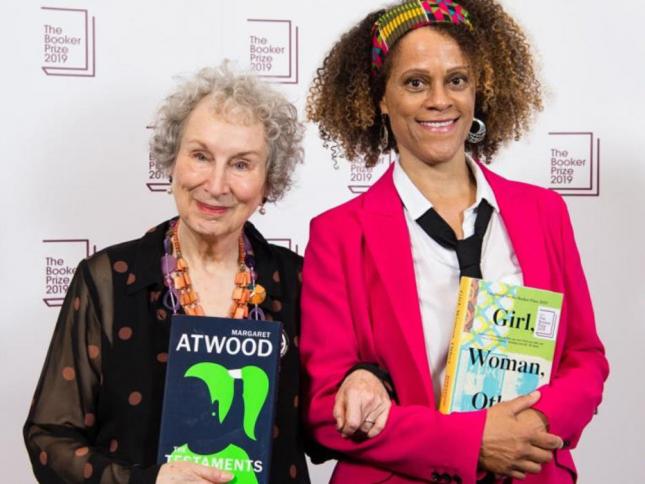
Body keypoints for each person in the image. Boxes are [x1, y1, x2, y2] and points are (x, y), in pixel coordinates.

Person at [23, 63, 383, 484]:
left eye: (241, 164)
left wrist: (365, 380)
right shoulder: (109, 281)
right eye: (200, 156)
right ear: (172, 161)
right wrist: (150, 482)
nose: (215, 184)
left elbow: (323, 432)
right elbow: (49, 440)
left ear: (268, 182)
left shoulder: (298, 281)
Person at [301, 1, 609, 483]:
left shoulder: (544, 213)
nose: (439, 100)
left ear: (477, 90)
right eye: (415, 82)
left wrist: (534, 425)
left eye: (457, 80)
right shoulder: (338, 234)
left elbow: (584, 359)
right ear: (381, 99)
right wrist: (472, 443)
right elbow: (325, 410)